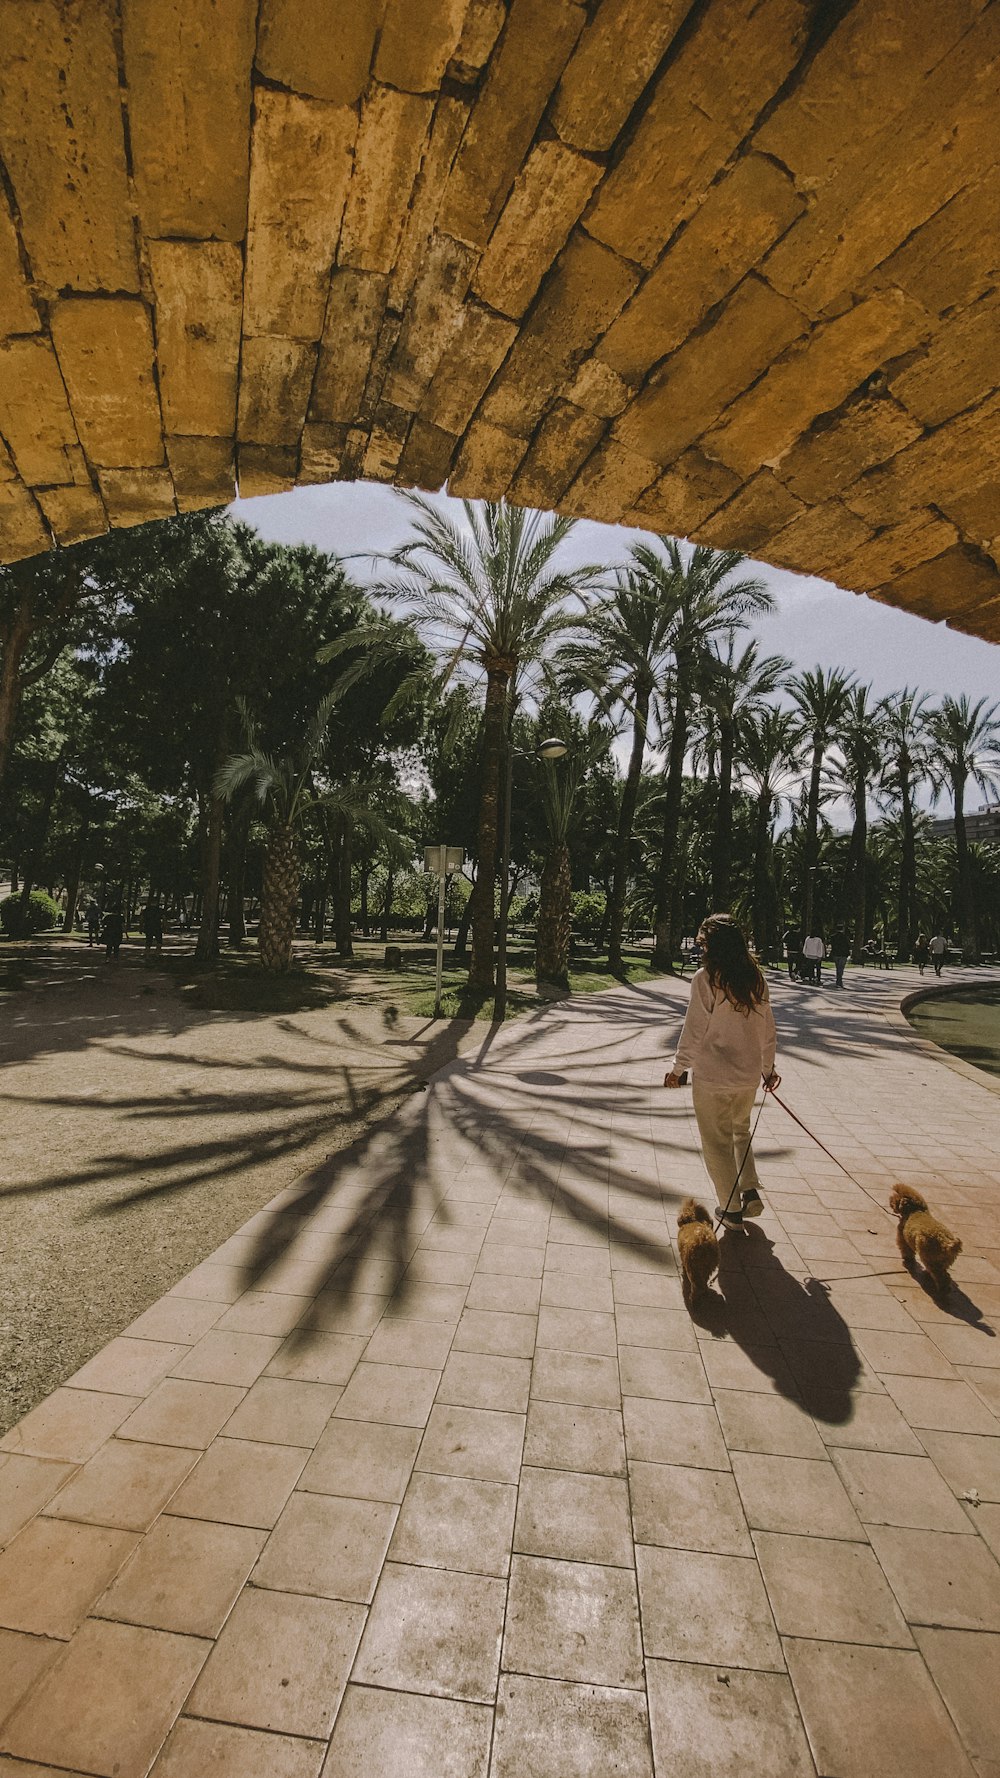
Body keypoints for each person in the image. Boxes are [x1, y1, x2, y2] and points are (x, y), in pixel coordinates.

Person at [664, 914, 780, 1231]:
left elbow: (694, 1029)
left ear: (711, 946)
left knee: (716, 1141)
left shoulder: (707, 978)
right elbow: (767, 1031)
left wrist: (678, 1069)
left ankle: (730, 1210)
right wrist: (768, 1070)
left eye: (703, 943)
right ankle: (750, 1190)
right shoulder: (756, 978)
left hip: (713, 1077)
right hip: (747, 1077)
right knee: (740, 1132)